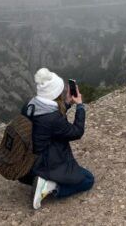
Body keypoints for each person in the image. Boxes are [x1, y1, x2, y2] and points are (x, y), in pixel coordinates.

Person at [19, 68, 94, 209]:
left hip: (29, 160)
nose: (64, 91)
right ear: (55, 93)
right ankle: (50, 187)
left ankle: (42, 180)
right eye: (61, 90)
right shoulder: (53, 118)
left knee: (81, 176)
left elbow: (47, 121)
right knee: (88, 180)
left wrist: (68, 103)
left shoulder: (30, 105)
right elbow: (77, 132)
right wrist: (79, 106)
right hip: (45, 163)